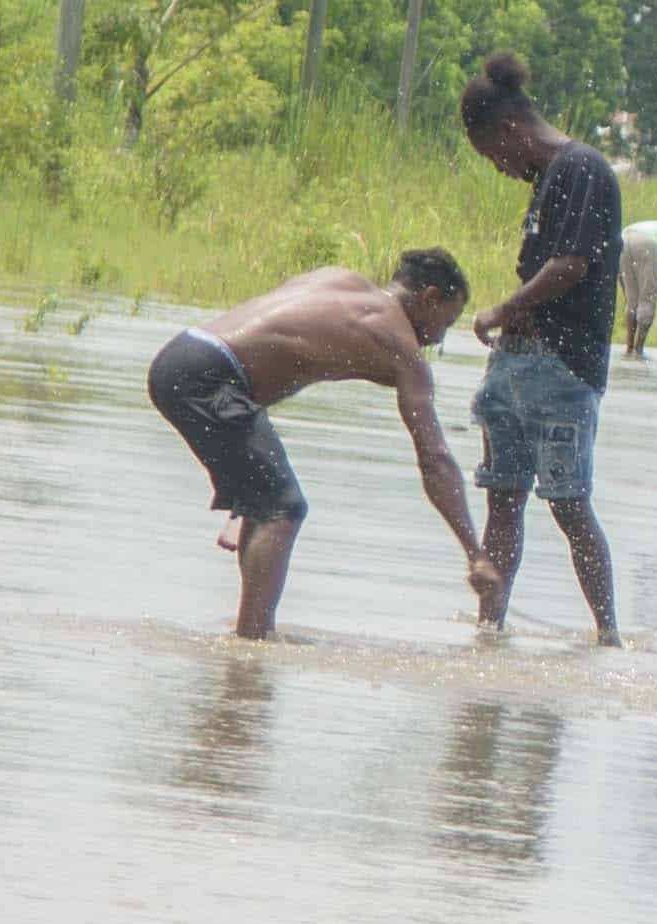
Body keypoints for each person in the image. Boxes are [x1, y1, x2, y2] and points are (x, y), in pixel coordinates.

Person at [142, 250, 493, 641]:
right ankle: (251, 649)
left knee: (268, 502)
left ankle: (249, 635)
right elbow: (435, 459)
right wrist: (474, 554)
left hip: (184, 353)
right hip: (211, 378)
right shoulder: (400, 347)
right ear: (429, 298)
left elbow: (270, 350)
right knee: (283, 508)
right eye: (445, 322)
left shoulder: (338, 280)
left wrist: (240, 494)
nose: (438, 338)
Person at [452, 52, 623, 643]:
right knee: (503, 499)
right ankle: (490, 627)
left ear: (508, 131)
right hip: (516, 366)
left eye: (492, 155)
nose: (500, 168)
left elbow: (571, 264)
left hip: (564, 370)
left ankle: (608, 634)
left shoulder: (582, 170)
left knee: (569, 506)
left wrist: (505, 309)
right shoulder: (552, 176)